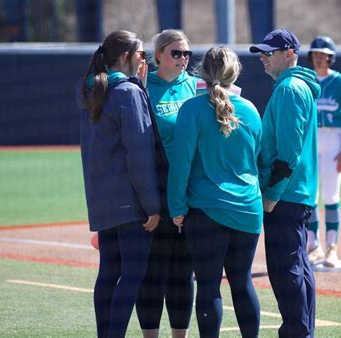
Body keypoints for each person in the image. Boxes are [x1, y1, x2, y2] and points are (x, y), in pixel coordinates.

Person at [168, 46, 262, 338]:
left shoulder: (192, 109)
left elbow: (180, 164)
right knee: (243, 281)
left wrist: (176, 208)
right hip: (247, 209)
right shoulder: (250, 109)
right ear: (235, 72)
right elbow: (258, 160)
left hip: (206, 211)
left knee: (208, 285)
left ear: (202, 72)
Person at [79, 30, 162, 338]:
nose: (145, 61)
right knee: (132, 275)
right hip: (130, 203)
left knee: (108, 274)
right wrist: (152, 205)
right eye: (142, 55)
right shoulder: (128, 92)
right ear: (127, 57)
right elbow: (139, 154)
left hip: (102, 200)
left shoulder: (93, 90)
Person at [249, 28, 321, 337]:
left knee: (285, 269)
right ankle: (301, 330)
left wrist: (272, 195)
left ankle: (296, 332)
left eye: (269, 52)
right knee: (298, 267)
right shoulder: (294, 86)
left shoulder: (290, 89)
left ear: (289, 53)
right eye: (262, 53)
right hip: (297, 192)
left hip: (286, 194)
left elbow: (288, 151)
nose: (263, 58)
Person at [135, 29, 205, 338]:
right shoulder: (143, 87)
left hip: (190, 190)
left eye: (187, 53)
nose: (183, 59)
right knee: (153, 272)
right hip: (156, 189)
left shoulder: (196, 86)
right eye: (176, 53)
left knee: (182, 272)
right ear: (159, 55)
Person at [306, 35, 341, 268]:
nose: (319, 58)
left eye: (323, 55)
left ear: (330, 57)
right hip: (311, 139)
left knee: (331, 195)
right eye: (316, 54)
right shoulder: (306, 81)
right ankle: (313, 246)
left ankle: (332, 248)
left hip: (333, 139)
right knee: (309, 195)